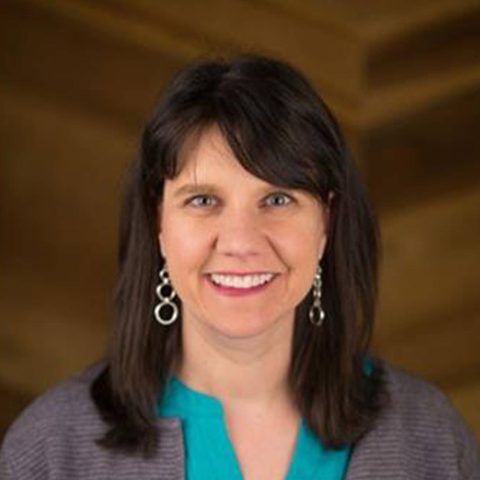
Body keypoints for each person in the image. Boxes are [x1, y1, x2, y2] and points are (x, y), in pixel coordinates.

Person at [1, 54, 479, 480]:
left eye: (277, 198)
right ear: (158, 222)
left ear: (326, 222)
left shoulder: (429, 438)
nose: (241, 243)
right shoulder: (51, 449)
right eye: (204, 199)